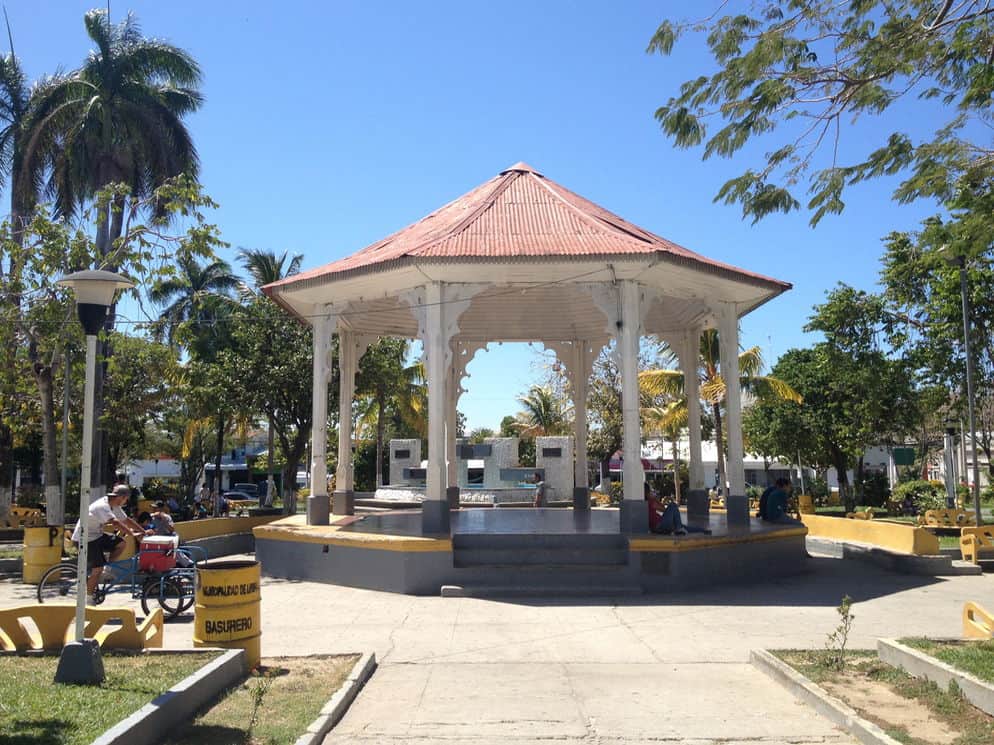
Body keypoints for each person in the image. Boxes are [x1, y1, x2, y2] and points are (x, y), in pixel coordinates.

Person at [71, 483, 151, 602]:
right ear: (121, 497)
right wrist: (132, 534)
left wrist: (143, 531)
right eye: (126, 499)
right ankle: (87, 600)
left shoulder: (114, 505)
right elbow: (116, 523)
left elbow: (126, 520)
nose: (126, 502)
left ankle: (107, 569)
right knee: (96, 570)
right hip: (85, 539)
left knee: (121, 544)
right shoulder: (102, 506)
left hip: (96, 536)